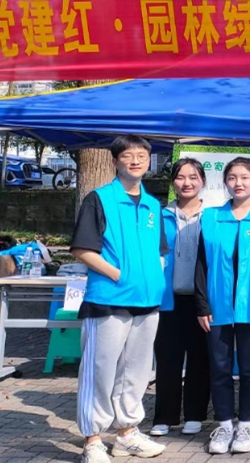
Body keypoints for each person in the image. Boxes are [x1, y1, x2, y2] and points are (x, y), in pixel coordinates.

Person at [72, 135, 169, 463]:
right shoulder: (99, 199)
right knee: (99, 370)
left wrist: (153, 279)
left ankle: (127, 433)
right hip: (109, 299)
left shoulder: (153, 204)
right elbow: (83, 249)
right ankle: (93, 439)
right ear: (115, 161)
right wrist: (118, 275)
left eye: (142, 155)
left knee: (137, 371)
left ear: (149, 161)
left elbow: (159, 251)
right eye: (128, 155)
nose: (135, 161)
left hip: (147, 300)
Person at [194, 157, 250, 455]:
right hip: (217, 306)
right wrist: (202, 305)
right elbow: (201, 265)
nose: (238, 183)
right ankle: (224, 425)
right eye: (232, 177)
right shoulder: (211, 218)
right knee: (219, 368)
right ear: (225, 182)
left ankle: (245, 424)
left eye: (245, 178)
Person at [151, 158, 211, 438]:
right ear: (172, 182)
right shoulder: (159, 216)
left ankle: (195, 414)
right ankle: (164, 416)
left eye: (193, 177)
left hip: (202, 300)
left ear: (203, 182)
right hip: (168, 298)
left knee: (200, 358)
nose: (187, 183)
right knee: (168, 358)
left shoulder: (212, 217)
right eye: (180, 177)